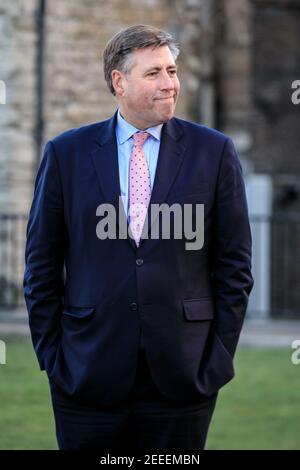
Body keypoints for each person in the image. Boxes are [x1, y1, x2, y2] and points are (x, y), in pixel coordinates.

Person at [23, 24, 254, 451]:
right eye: (153, 74)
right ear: (118, 81)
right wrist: (54, 358)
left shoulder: (214, 151)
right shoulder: (66, 153)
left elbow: (234, 266)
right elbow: (40, 266)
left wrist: (216, 358)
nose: (170, 84)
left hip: (184, 377)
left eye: (171, 70)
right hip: (86, 374)